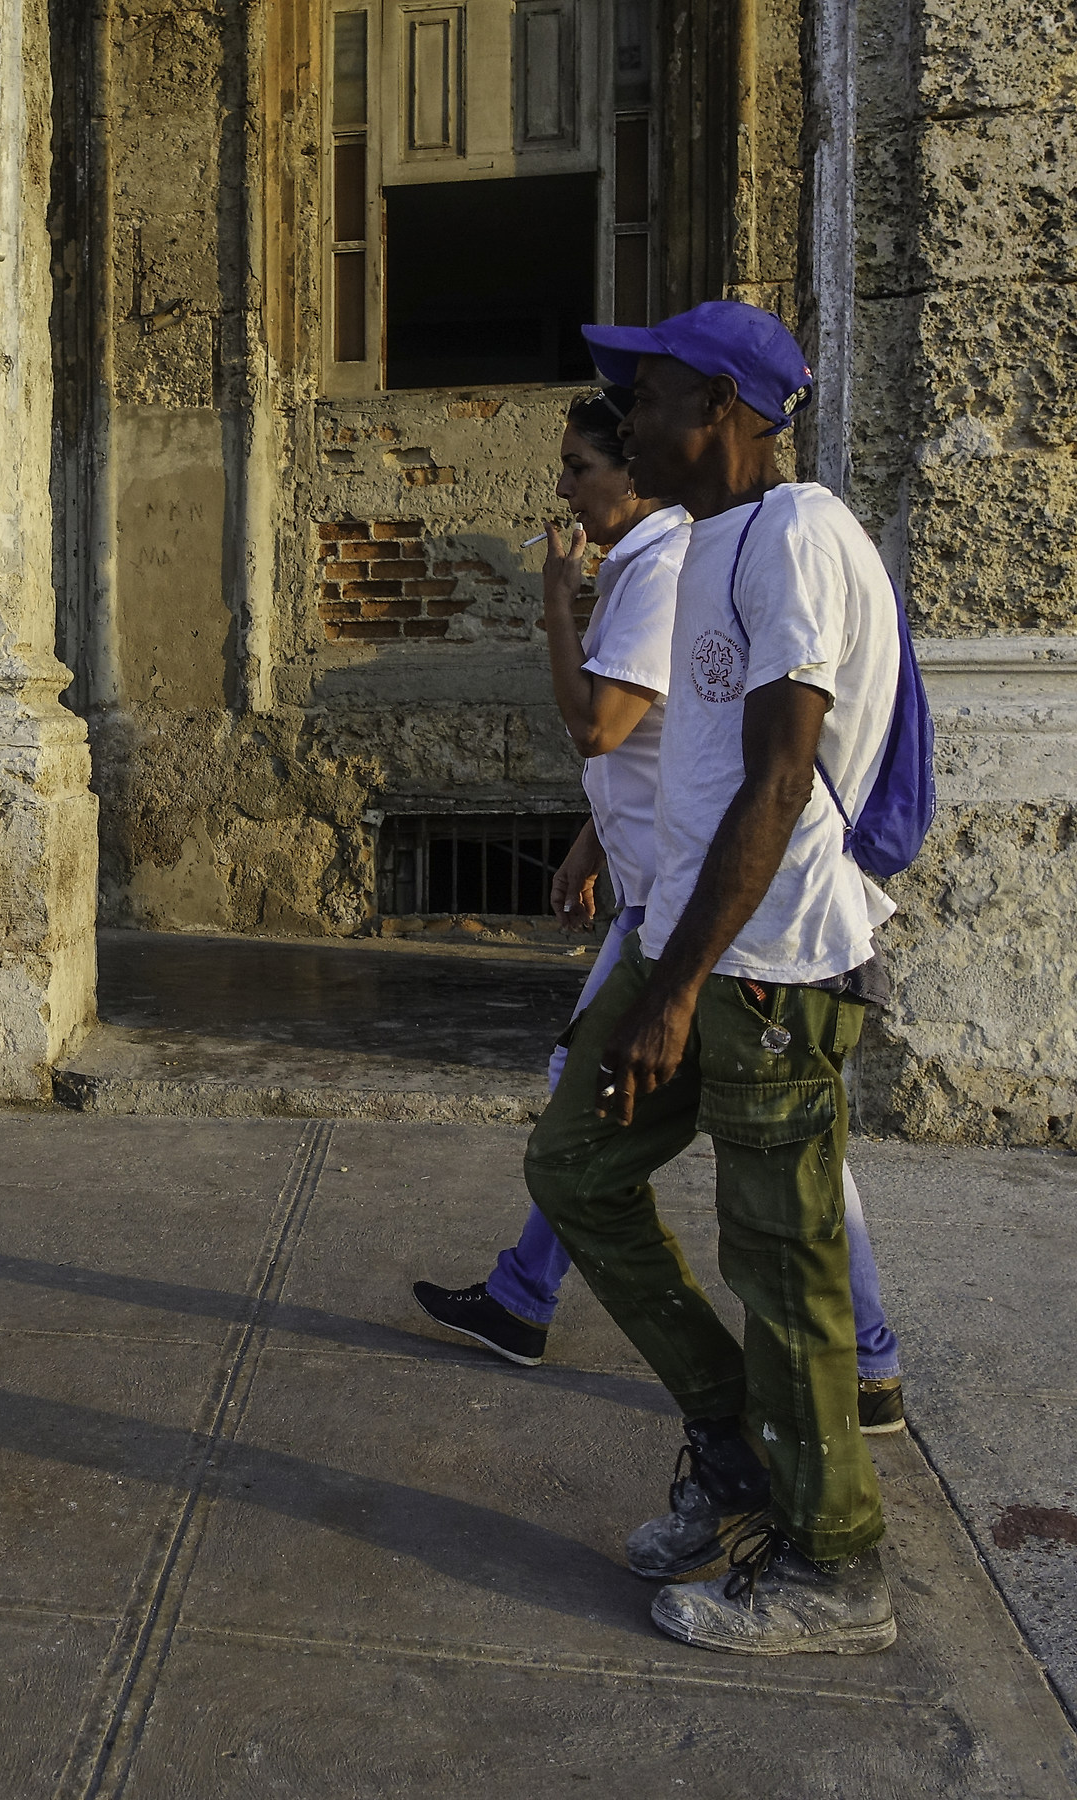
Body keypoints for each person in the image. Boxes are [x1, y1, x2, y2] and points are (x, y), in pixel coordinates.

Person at [524, 301, 906, 1656]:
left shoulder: (794, 535)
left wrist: (678, 986)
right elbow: (686, 768)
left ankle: (836, 1566)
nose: (628, 418)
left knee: (786, 1265)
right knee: (573, 1171)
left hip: (766, 971)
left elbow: (781, 776)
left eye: (655, 394)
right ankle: (739, 1451)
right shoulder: (710, 542)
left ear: (733, 413)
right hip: (693, 947)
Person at [412, 395, 904, 1438]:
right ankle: (532, 1299)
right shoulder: (702, 554)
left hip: (724, 926)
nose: (570, 488)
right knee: (618, 1139)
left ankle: (836, 1387)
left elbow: (628, 735)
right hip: (673, 901)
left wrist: (551, 600)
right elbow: (682, 743)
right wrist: (596, 845)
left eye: (583, 464)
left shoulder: (730, 552)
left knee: (777, 1175)